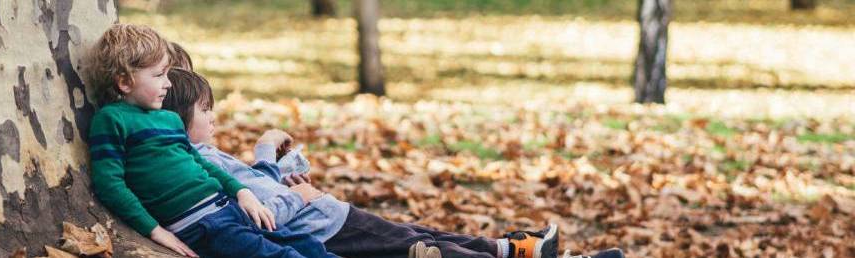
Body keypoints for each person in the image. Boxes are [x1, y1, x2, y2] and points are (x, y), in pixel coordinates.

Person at [160, 67, 559, 258]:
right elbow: (265, 209)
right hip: (324, 226)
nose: (213, 117)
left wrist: (282, 171)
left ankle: (516, 248)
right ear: (178, 117)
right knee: (419, 249)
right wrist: (288, 181)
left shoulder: (196, 157)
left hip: (327, 216)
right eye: (205, 109)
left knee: (418, 233)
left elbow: (260, 190)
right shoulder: (198, 161)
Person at [83, 24, 334, 258]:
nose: (168, 83)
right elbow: (110, 184)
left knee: (307, 246)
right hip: (201, 225)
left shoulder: (169, 119)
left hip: (230, 207)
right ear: (125, 82)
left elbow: (201, 163)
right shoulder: (111, 120)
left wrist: (242, 191)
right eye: (159, 75)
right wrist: (155, 231)